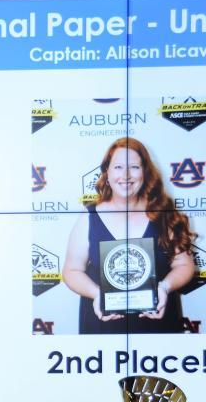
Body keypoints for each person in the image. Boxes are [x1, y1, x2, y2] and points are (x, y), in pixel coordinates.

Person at [62, 137, 196, 334]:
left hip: (158, 324)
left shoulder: (165, 214)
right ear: (107, 173)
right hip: (103, 325)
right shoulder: (89, 217)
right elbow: (71, 271)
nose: (125, 175)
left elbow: (184, 265)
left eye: (134, 167)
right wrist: (98, 294)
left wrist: (165, 287)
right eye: (118, 167)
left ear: (145, 172)